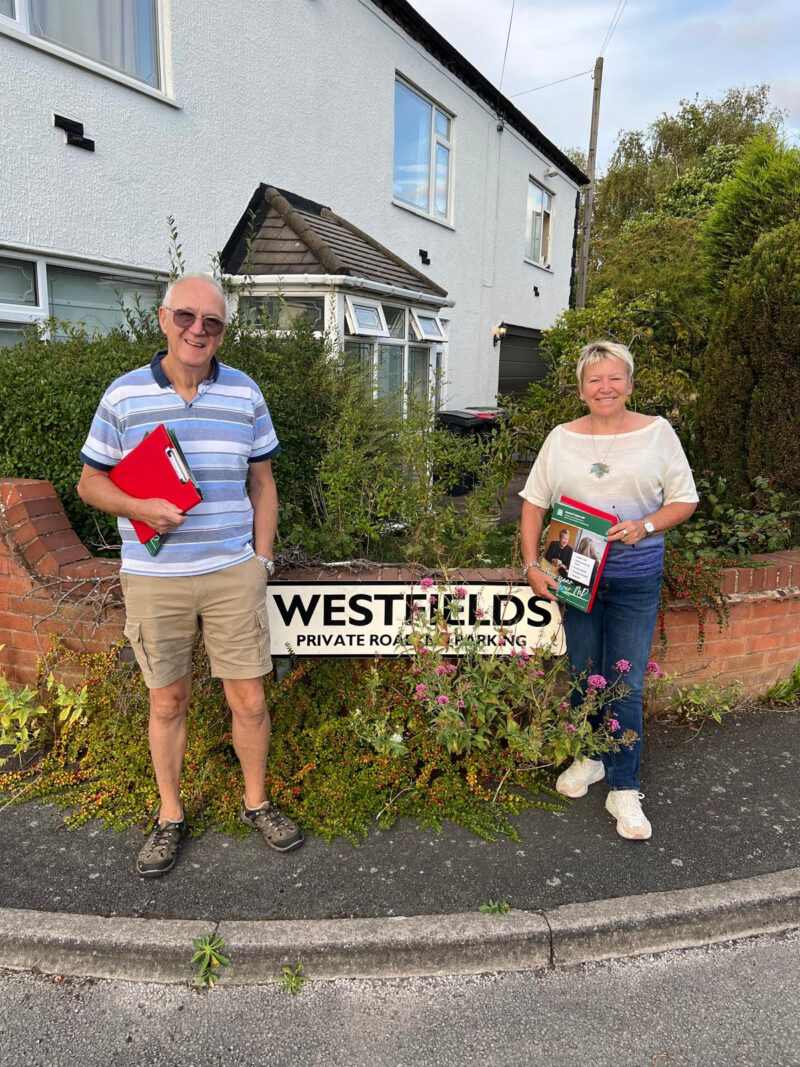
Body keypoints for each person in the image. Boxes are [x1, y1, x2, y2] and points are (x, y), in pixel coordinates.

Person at [78, 272, 304, 877]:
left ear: (223, 332)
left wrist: (261, 560)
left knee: (250, 698)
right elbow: (89, 482)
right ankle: (170, 815)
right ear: (162, 318)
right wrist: (140, 507)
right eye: (186, 317)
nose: (197, 330)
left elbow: (263, 484)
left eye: (212, 322)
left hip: (234, 573)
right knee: (168, 699)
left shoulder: (244, 393)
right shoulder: (123, 397)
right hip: (156, 578)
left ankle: (257, 802)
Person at [519, 340, 698, 840]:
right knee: (583, 672)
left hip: (635, 575)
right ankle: (591, 756)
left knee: (627, 681)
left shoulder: (657, 433)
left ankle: (624, 784)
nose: (606, 387)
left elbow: (684, 500)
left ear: (630, 383)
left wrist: (645, 525)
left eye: (615, 377)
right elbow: (534, 504)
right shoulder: (560, 438)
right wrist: (533, 564)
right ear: (581, 389)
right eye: (595, 380)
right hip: (575, 577)